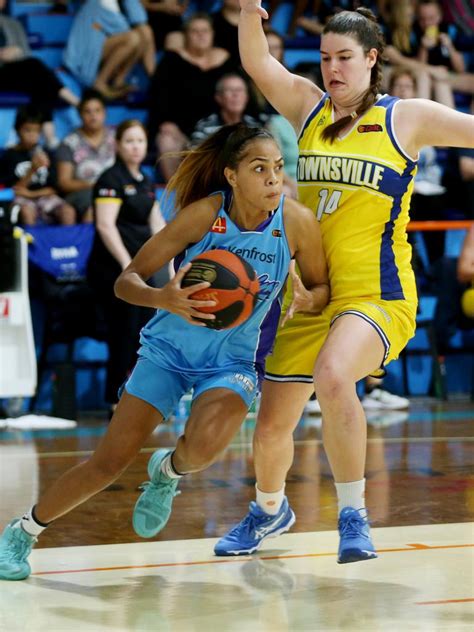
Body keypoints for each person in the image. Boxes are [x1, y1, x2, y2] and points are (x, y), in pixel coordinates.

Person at [0, 123, 329, 580]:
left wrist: (306, 298)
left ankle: (168, 473)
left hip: (234, 360)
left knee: (204, 450)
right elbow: (126, 281)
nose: (274, 179)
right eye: (259, 169)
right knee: (107, 464)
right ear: (232, 175)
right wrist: (164, 298)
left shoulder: (297, 224)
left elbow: (321, 288)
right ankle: (22, 531)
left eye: (277, 168)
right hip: (168, 352)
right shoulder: (202, 216)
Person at [214, 2, 473, 564]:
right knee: (271, 426)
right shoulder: (308, 108)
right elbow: (258, 62)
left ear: (372, 59)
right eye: (326, 57)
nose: (333, 69)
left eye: (345, 58)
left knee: (334, 376)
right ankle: (268, 509)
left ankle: (353, 514)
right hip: (309, 294)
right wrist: (246, 7)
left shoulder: (408, 118)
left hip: (378, 293)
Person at [87, 119, 168, 416]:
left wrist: (167, 269)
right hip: (113, 269)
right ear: (118, 146)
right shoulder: (110, 179)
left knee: (143, 334)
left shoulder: (146, 182)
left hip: (141, 271)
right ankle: (114, 399)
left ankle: (138, 399)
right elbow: (105, 226)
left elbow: (158, 228)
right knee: (123, 334)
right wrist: (126, 265)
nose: (136, 147)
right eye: (129, 141)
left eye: (140, 141)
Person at [147, 13, 238, 181]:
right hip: (181, 131)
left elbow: (240, 93)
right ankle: (177, 195)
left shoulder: (227, 61)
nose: (201, 35)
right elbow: (158, 97)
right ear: (185, 36)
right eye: (195, 31)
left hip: (219, 129)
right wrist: (166, 122)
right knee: (166, 141)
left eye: (205, 31)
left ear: (212, 34)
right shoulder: (171, 61)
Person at [0, 0, 79, 147]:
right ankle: (76, 103)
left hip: (16, 71)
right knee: (36, 67)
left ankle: (49, 139)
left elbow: (25, 52)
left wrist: (15, 54)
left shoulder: (13, 24)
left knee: (39, 80)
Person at [0, 106, 75, 226]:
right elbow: (14, 190)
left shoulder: (47, 154)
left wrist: (31, 194)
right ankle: (32, 244)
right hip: (21, 201)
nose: (32, 135)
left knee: (68, 211)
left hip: (44, 196)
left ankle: (68, 244)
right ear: (17, 130)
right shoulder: (9, 156)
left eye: (36, 131)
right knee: (27, 211)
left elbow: (54, 188)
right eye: (27, 130)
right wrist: (32, 169)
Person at [56, 90, 116, 223]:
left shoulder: (117, 138)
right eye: (87, 111)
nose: (93, 116)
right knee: (93, 207)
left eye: (97, 110)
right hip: (82, 193)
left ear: (104, 113)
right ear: (79, 114)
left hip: (115, 190)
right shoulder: (69, 143)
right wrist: (93, 185)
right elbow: (64, 182)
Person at [189, 73, 263, 147]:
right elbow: (194, 155)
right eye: (230, 90)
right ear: (219, 97)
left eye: (239, 90)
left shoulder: (255, 125)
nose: (235, 95)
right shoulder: (205, 126)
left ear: (246, 97)